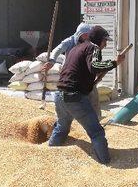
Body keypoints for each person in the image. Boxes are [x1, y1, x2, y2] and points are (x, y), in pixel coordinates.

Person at [48, 26, 125, 164]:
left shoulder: (75, 49)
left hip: (59, 95)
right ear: (99, 40)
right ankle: (106, 162)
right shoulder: (93, 48)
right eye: (105, 41)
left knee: (62, 127)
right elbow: (94, 67)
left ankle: (50, 155)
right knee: (96, 132)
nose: (106, 44)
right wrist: (114, 63)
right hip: (74, 97)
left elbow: (81, 70)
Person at [42, 22, 102, 119]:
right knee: (67, 97)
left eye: (89, 35)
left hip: (84, 73)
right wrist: (52, 61)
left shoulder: (90, 43)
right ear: (80, 34)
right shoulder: (70, 41)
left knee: (92, 94)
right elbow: (58, 49)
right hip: (70, 73)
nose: (87, 37)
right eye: (85, 35)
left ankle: (96, 118)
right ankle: (63, 119)